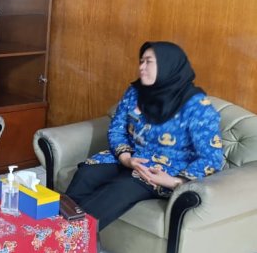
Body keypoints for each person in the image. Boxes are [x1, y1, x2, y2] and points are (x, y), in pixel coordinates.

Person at [65, 41, 225, 231]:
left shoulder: (197, 107)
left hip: (164, 170)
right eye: (141, 61)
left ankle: (66, 240)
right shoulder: (136, 92)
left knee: (119, 189)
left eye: (149, 62)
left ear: (167, 65)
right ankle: (54, 227)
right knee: (87, 174)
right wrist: (126, 159)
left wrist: (175, 182)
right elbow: (117, 129)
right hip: (130, 157)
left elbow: (211, 158)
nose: (141, 67)